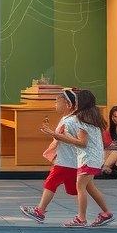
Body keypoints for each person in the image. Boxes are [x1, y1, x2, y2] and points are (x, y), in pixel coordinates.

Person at [38, 89, 113, 227]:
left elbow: (82, 143)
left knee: (80, 187)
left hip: (87, 158)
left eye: (76, 101)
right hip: (96, 158)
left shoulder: (81, 120)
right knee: (90, 187)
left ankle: (81, 219)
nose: (74, 104)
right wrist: (62, 136)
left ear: (81, 103)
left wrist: (58, 135)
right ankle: (106, 213)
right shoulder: (93, 118)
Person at [20, 90, 80, 224]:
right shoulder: (67, 119)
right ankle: (88, 213)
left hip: (65, 161)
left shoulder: (70, 121)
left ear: (68, 104)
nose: (56, 104)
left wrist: (52, 133)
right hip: (70, 161)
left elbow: (66, 138)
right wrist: (51, 132)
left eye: (58, 101)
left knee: (51, 183)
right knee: (76, 190)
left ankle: (40, 211)